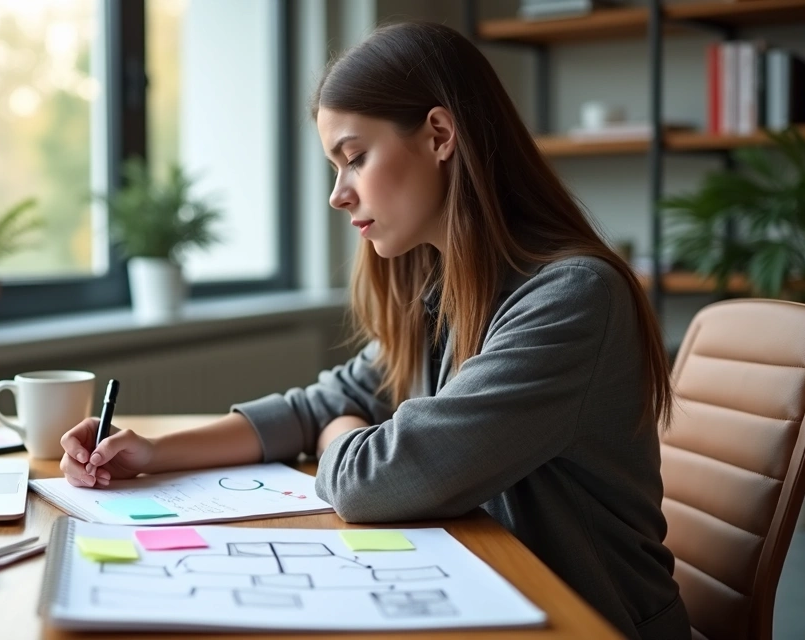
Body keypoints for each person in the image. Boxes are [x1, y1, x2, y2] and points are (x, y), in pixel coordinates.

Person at [58, 21, 688, 640]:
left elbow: (377, 481)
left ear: (439, 134)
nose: (338, 194)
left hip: (588, 621)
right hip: (491, 599)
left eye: (355, 158)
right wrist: (153, 453)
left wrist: (341, 433)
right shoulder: (444, 287)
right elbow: (317, 405)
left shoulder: (572, 299)